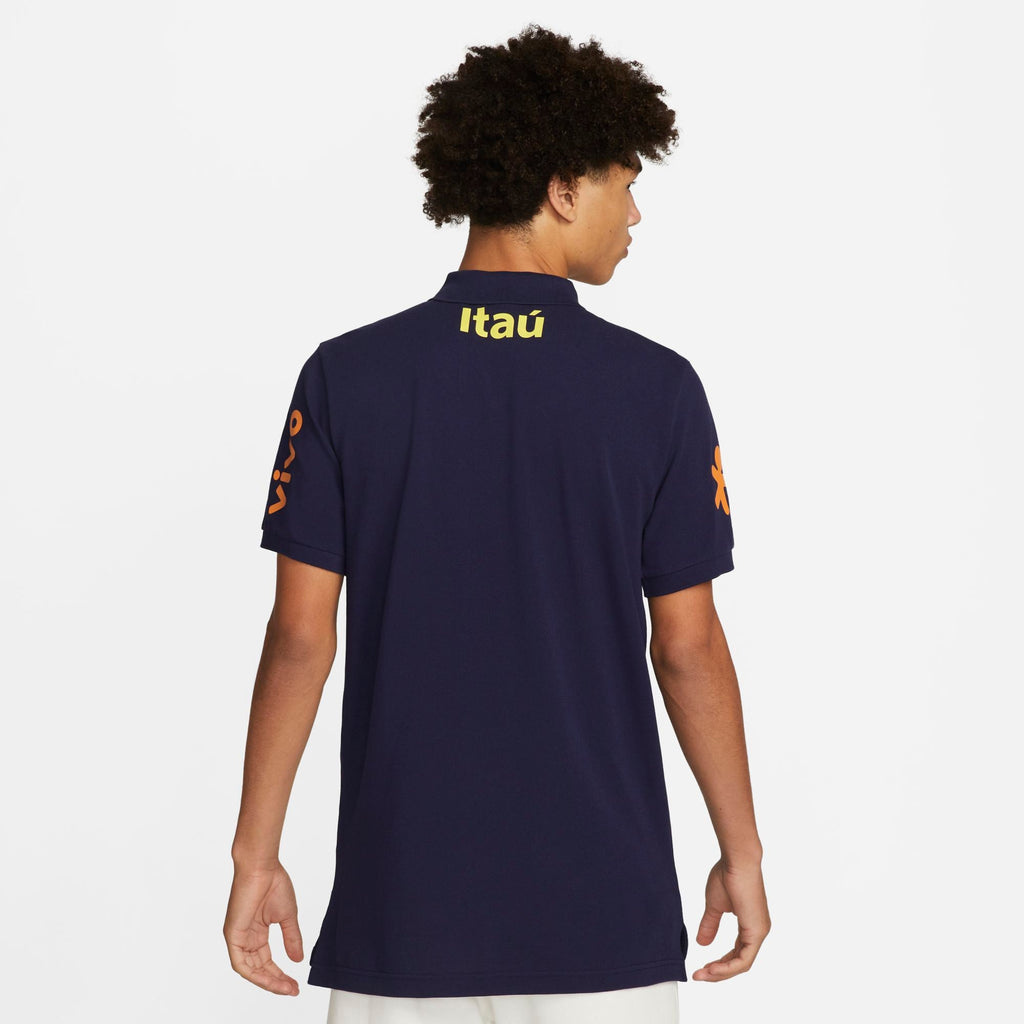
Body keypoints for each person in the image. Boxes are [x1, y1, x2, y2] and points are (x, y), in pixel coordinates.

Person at [224, 23, 770, 1024]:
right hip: (603, 923)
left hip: (402, 915)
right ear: (561, 189)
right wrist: (742, 852)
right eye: (623, 181)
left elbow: (301, 636)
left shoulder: (347, 378)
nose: (635, 211)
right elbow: (686, 646)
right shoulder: (655, 390)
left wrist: (253, 855)